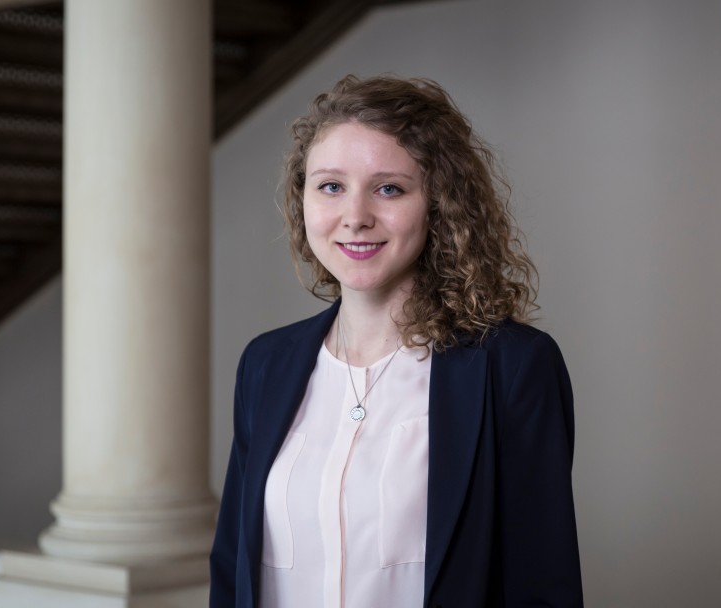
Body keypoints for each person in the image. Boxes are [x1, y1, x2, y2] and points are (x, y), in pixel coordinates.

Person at [210, 75, 582, 608]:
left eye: (389, 188)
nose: (355, 217)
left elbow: (542, 586)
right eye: (331, 186)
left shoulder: (513, 367)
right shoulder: (265, 364)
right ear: (303, 200)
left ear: (439, 204)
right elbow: (230, 569)